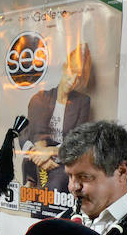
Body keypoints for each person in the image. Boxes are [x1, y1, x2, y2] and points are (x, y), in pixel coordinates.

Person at [22, 43, 93, 191]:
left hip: (62, 161)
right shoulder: (42, 98)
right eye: (71, 71)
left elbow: (78, 141)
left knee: (55, 187)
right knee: (31, 190)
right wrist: (40, 156)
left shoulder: (82, 102)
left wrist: (51, 152)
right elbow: (29, 134)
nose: (73, 80)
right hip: (37, 159)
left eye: (79, 77)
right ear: (64, 67)